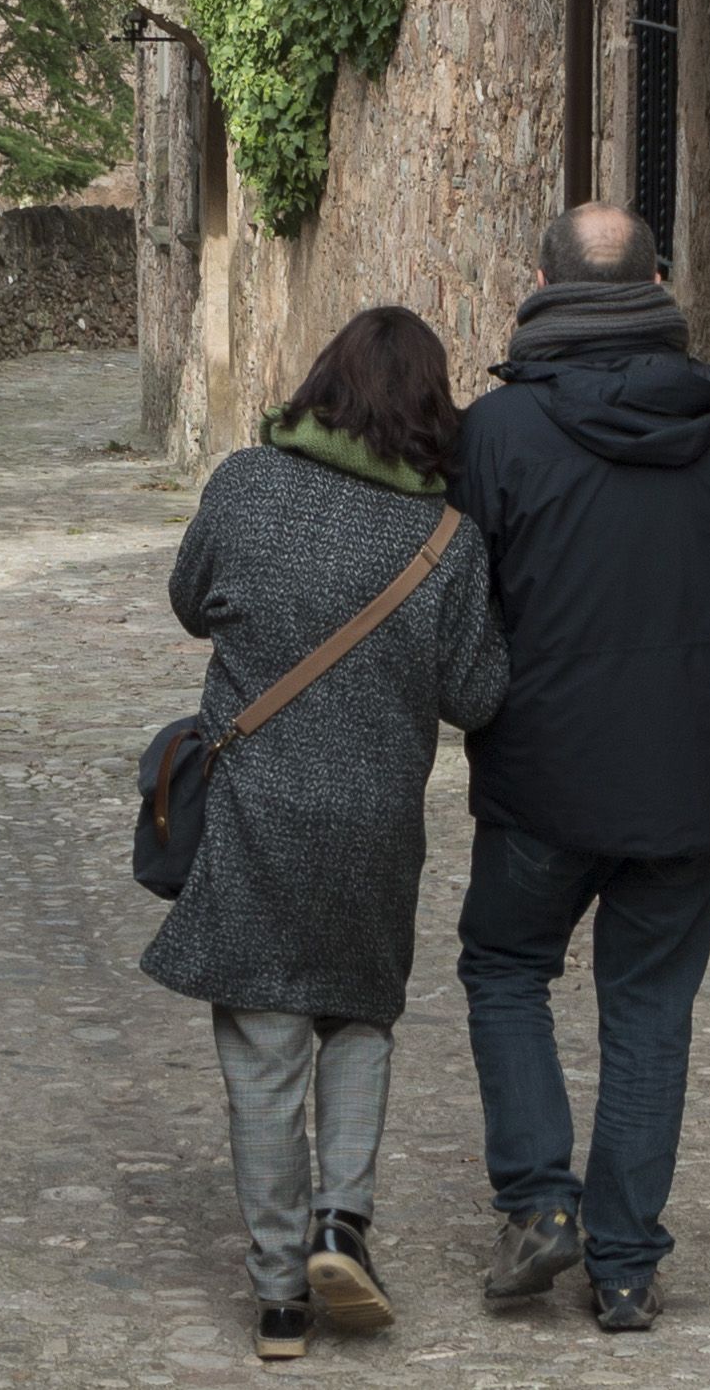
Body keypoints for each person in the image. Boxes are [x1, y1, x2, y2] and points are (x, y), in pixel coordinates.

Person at [445, 204, 710, 1333]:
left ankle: (540, 1203)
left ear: (538, 285)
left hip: (541, 776)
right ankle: (623, 1264)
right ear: (657, 280)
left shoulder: (496, 434)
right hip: (688, 779)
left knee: (507, 964)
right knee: (649, 1008)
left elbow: (463, 603)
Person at [144, 306, 508, 1364]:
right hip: (374, 826)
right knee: (358, 1019)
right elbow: (479, 695)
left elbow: (187, 601)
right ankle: (341, 1223)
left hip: (257, 810)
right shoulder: (446, 542)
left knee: (262, 1047)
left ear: (321, 385)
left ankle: (276, 1303)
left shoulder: (247, 487)